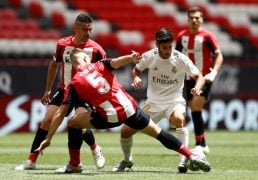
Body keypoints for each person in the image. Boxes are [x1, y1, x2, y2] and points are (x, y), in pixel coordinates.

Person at [35, 48, 211, 173]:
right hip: (130, 108)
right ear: (86, 59)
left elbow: (60, 113)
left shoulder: (73, 84)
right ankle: (191, 155)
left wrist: (49, 138)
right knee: (158, 133)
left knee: (74, 123)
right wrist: (132, 57)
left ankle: (74, 164)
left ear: (74, 65)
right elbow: (118, 62)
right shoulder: (100, 65)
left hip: (110, 117)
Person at [15, 13, 106, 171]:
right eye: (84, 29)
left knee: (79, 124)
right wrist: (48, 89)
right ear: (75, 28)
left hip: (84, 93)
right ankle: (31, 160)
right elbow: (54, 65)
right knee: (47, 120)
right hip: (65, 89)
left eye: (90, 29)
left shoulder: (97, 49)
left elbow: (105, 72)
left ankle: (95, 148)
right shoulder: (63, 44)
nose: (88, 33)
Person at [112, 28, 205, 173]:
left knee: (179, 119)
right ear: (157, 45)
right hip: (153, 104)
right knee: (125, 131)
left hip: (174, 101)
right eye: (164, 47)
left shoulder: (180, 59)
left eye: (170, 47)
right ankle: (127, 160)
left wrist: (197, 88)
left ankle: (183, 159)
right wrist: (135, 77)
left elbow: (199, 76)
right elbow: (136, 70)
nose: (168, 50)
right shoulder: (150, 56)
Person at [175, 6, 224, 154]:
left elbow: (219, 55)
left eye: (197, 18)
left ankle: (201, 144)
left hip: (204, 77)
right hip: (187, 78)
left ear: (202, 19)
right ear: (188, 19)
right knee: (192, 108)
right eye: (192, 18)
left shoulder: (207, 36)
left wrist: (214, 72)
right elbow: (175, 56)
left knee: (196, 105)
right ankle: (200, 141)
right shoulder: (181, 36)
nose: (195, 20)